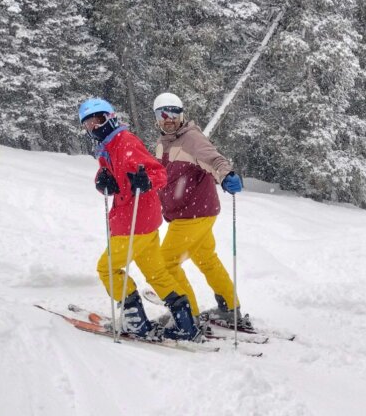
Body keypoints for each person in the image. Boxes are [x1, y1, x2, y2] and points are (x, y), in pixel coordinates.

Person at [78, 97, 201, 341]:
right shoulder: (108, 146)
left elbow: (159, 173)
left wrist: (146, 182)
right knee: (156, 273)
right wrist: (102, 182)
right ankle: (186, 324)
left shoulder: (125, 142)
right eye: (89, 124)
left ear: (111, 117)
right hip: (143, 221)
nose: (95, 127)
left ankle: (135, 320)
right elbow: (108, 174)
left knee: (108, 268)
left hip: (133, 221)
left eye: (99, 119)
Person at [152, 92, 244, 322]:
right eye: (163, 114)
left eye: (174, 113)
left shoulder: (192, 138)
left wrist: (226, 176)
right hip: (193, 213)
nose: (169, 118)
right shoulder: (162, 143)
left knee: (165, 263)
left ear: (182, 114)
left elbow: (214, 160)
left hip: (192, 214)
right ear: (157, 119)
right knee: (207, 259)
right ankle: (229, 308)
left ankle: (186, 314)